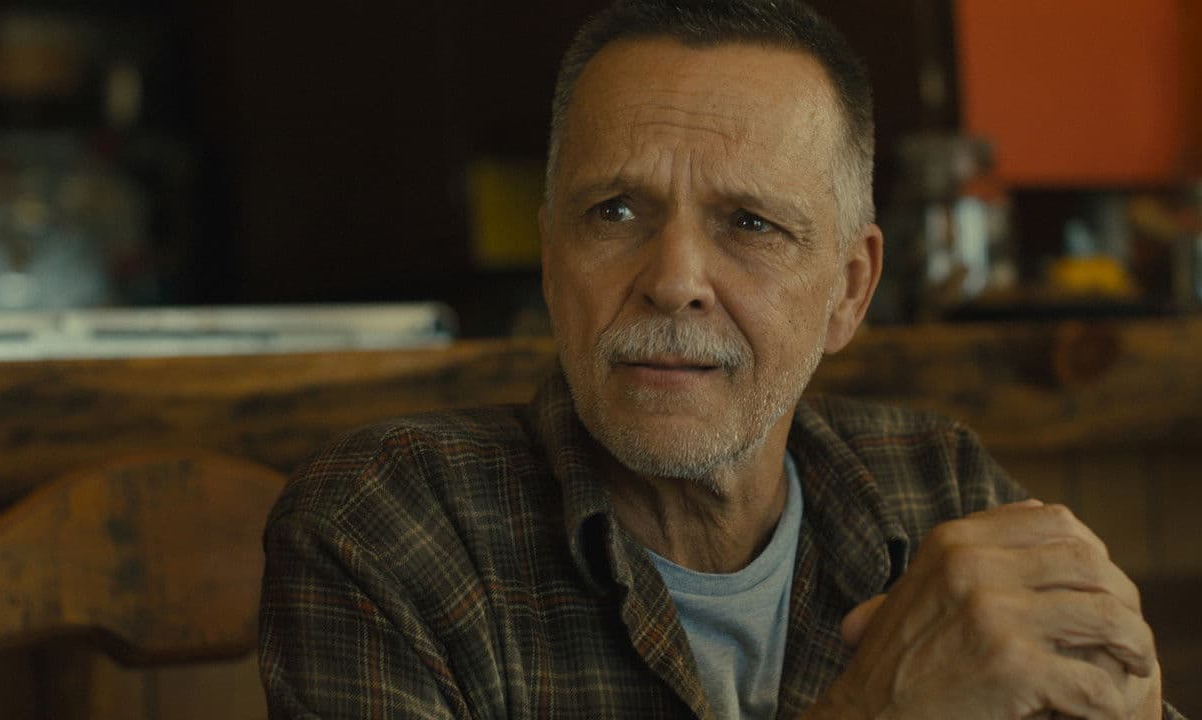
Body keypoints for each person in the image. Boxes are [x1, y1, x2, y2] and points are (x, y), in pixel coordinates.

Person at [259, 1, 1183, 718]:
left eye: (750, 223)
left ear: (849, 290)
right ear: (550, 260)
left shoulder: (938, 486)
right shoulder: (388, 522)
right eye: (616, 211)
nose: (673, 281)